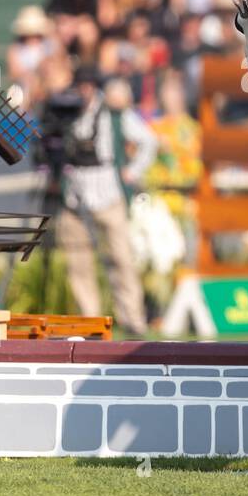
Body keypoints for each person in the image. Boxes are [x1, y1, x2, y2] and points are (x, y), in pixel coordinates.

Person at [56, 65, 156, 336]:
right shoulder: (66, 114)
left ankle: (132, 319)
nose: (84, 90)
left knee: (121, 259)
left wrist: (132, 172)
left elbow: (148, 140)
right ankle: (91, 321)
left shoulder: (113, 114)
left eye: (88, 85)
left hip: (108, 193)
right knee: (79, 262)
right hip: (75, 194)